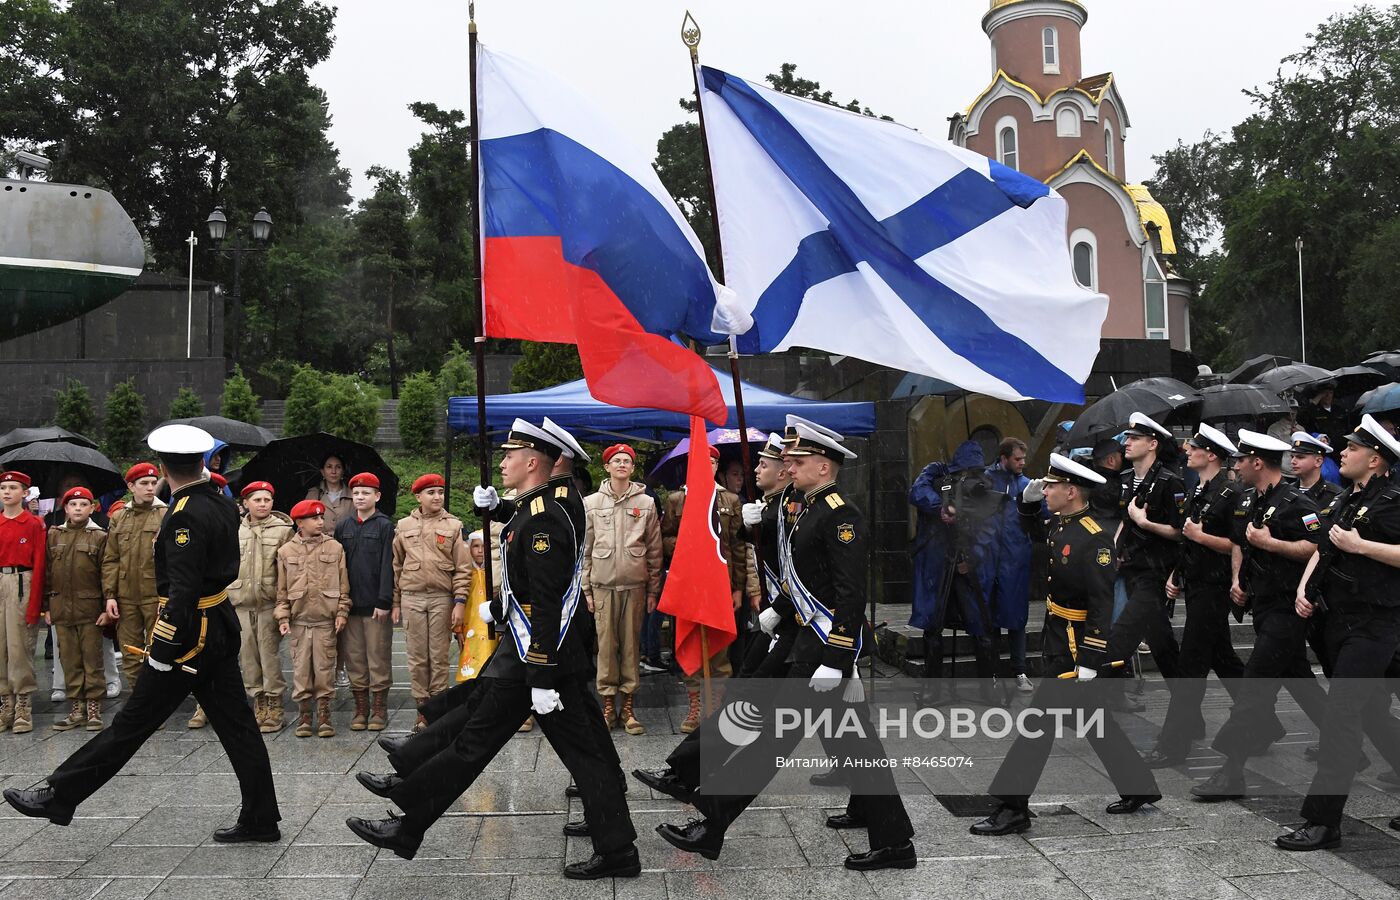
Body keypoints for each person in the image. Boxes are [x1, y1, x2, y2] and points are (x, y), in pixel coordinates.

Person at [347, 419, 641, 880]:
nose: (501, 462)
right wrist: (501, 509)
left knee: (480, 740)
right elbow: (535, 530)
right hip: (543, 652)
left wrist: (541, 674)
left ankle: (409, 812)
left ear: (532, 463)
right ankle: (409, 795)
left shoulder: (547, 513)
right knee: (572, 746)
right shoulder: (546, 502)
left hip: (542, 656)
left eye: (510, 456)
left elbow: (547, 598)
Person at [657, 422, 916, 871]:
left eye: (797, 461)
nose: (788, 467)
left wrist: (836, 659)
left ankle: (712, 822)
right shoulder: (804, 508)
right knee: (858, 747)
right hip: (807, 643)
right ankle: (894, 841)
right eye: (788, 461)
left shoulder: (840, 513)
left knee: (771, 740)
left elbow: (850, 595)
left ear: (823, 465)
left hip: (823, 648)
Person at [4, 424, 281, 842]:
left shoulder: (186, 513)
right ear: (201, 463)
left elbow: (184, 590)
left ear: (163, 467)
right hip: (217, 622)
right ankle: (261, 819)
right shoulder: (219, 501)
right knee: (239, 727)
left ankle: (60, 794)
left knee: (131, 723)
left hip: (191, 635)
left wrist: (164, 647)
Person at [970, 454, 1161, 837]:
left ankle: (1013, 805)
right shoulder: (1062, 523)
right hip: (1057, 632)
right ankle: (1138, 785)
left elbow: (1102, 602)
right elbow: (1037, 534)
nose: (1047, 490)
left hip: (1075, 646)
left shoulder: (1094, 537)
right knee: (1093, 719)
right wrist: (1026, 505)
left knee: (1037, 724)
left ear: (1071, 491)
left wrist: (1091, 657)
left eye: (1052, 486)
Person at [1282, 415, 1400, 850]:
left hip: (1374, 624)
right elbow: (1324, 547)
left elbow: (1357, 546)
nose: (1342, 453)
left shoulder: (1393, 499)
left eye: (1351, 448)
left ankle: (1323, 821)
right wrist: (1303, 586)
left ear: (1375, 458)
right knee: (1370, 714)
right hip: (1335, 621)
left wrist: (1362, 546)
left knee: (1341, 717)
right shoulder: (1346, 500)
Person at [1192, 430, 1329, 801]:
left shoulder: (1296, 502)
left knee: (1253, 688)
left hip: (1289, 607)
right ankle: (1351, 745)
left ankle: (1231, 771)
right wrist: (1238, 579)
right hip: (1263, 604)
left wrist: (1272, 544)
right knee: (1301, 682)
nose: (1234, 465)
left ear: (1257, 462)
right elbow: (1240, 541)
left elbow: (1319, 547)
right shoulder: (1249, 498)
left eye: (1240, 459)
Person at [1143, 424, 1246, 767]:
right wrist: (1177, 574)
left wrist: (1202, 538)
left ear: (1211, 454)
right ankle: (1261, 719)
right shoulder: (1198, 490)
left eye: (1195, 446)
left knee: (1191, 666)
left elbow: (1237, 543)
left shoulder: (1229, 493)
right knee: (1224, 659)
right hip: (1196, 583)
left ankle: (1174, 743)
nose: (1187, 449)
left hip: (1214, 589)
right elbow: (1187, 542)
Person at [663, 444, 749, 733]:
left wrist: (738, 588)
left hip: (719, 583)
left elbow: (738, 547)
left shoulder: (730, 500)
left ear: (717, 467)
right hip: (689, 584)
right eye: (701, 462)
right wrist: (690, 543)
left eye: (712, 462)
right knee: (690, 643)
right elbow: (664, 540)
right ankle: (695, 704)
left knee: (719, 645)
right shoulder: (676, 499)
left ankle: (716, 703)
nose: (707, 466)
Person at [908, 440, 1001, 703]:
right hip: (937, 564)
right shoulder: (936, 474)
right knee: (933, 625)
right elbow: (917, 492)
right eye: (963, 474)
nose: (966, 480)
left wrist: (972, 559)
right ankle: (933, 689)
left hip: (966, 566)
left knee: (980, 623)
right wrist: (942, 506)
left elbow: (988, 529)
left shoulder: (983, 487)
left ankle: (988, 688)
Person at [582, 443, 662, 734]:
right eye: (616, 461)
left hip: (635, 586)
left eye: (627, 461)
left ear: (632, 467)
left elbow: (654, 549)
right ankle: (607, 705)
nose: (621, 465)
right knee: (605, 648)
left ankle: (628, 708)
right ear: (606, 467)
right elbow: (586, 550)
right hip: (602, 586)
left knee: (630, 647)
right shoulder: (591, 503)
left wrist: (654, 590)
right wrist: (586, 590)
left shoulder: (647, 503)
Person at [392, 473, 471, 731]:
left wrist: (460, 602)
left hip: (441, 598)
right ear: (418, 497)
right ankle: (422, 711)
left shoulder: (454, 526)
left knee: (438, 656)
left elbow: (463, 568)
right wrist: (395, 602)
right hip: (412, 598)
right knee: (416, 657)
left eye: (440, 492)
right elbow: (396, 567)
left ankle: (437, 710)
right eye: (431, 493)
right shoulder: (403, 527)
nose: (437, 497)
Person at [1111, 413, 1184, 689]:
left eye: (1135, 438)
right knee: (1162, 644)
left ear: (1152, 444)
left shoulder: (1170, 482)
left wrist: (1146, 523)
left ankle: (1090, 693)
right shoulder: (1127, 478)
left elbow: (1180, 532)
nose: (1127, 443)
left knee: (1120, 638)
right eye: (1128, 438)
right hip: (1131, 567)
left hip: (1155, 574)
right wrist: (1116, 551)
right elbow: (1124, 520)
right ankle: (1187, 707)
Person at [276, 499, 350, 738]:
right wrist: (283, 616)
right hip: (299, 622)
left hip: (325, 621)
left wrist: (341, 612)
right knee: (301, 669)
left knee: (324, 668)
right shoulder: (286, 551)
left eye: (321, 518)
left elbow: (343, 584)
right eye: (314, 518)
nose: (320, 522)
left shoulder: (334, 548)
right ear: (299, 522)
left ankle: (325, 713)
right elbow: (282, 590)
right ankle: (305, 714)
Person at [228, 480, 293, 733]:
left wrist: (283, 602)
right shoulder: (236, 531)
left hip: (268, 603)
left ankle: (275, 703)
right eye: (257, 500)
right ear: (245, 503)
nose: (263, 504)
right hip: (242, 602)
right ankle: (259, 701)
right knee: (248, 656)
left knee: (269, 655)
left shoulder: (283, 530)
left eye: (267, 499)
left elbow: (287, 570)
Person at [335, 472, 396, 732]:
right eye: (356, 493)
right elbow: (337, 567)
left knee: (378, 655)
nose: (360, 497)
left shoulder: (384, 526)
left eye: (366, 493)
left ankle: (379, 708)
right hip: (350, 606)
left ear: (377, 496)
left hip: (375, 606)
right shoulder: (343, 526)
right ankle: (361, 707)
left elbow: (388, 566)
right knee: (355, 658)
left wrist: (385, 601)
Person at [44, 486, 108, 732]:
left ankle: (93, 708)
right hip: (61, 606)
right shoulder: (54, 535)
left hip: (90, 607)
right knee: (68, 658)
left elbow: (106, 573)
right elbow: (48, 572)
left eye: (83, 505)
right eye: (73, 505)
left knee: (92, 658)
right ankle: (76, 707)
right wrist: (46, 606)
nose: (78, 509)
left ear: (92, 508)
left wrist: (106, 605)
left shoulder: (99, 536)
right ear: (66, 508)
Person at [103, 462, 165, 693]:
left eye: (152, 482)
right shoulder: (120, 517)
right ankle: (139, 701)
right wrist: (110, 596)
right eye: (144, 484)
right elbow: (111, 559)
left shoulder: (165, 514)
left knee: (158, 650)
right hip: (126, 596)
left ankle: (156, 700)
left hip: (155, 596)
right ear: (131, 486)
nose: (150, 488)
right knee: (130, 651)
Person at [984, 437, 1035, 692]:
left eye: (1024, 459)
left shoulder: (1027, 486)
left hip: (1016, 562)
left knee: (1017, 619)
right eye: (1017, 459)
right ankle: (991, 671)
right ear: (1003, 458)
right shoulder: (986, 481)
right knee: (991, 619)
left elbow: (1041, 516)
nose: (1022, 463)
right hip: (990, 560)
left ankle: (1020, 670)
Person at [0, 471, 47, 734]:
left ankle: (23, 706)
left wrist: (35, 605)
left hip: (21, 581)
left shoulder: (33, 524)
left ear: (25, 493)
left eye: (13, 487)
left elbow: (40, 564)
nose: (7, 492)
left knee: (19, 648)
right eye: (3, 487)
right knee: (0, 648)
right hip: (0, 581)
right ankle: (5, 703)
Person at [453, 531, 496, 683]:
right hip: (469, 624)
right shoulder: (465, 574)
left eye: (484, 546)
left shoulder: (495, 573)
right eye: (476, 546)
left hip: (491, 625)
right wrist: (457, 628)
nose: (480, 550)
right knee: (471, 657)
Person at [305, 453, 353, 532]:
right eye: (329, 467)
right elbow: (305, 524)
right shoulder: (313, 494)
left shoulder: (354, 495)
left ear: (343, 471)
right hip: (320, 542)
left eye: (338, 467)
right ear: (322, 471)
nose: (333, 471)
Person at [1290, 432, 1342, 506]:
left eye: (1300, 457)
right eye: (1292, 457)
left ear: (1318, 461)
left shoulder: (1335, 495)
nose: (1293, 461)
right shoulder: (1286, 491)